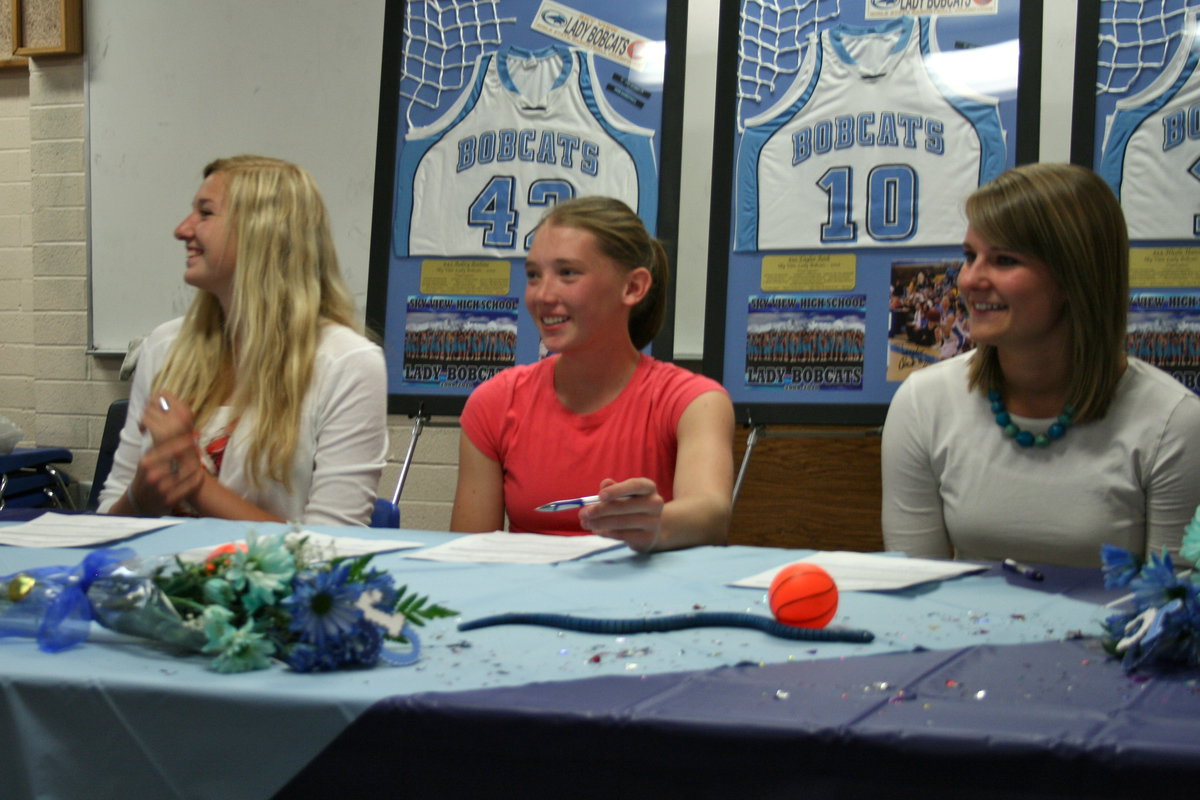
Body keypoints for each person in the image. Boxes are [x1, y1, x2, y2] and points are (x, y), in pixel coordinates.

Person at [882, 162, 1200, 568]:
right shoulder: (923, 402)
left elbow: (1173, 607)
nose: (968, 280)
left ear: (1075, 277)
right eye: (970, 256)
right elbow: (913, 584)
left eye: (1004, 260)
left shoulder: (1173, 423)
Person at [98, 155, 388, 525]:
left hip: (275, 585)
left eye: (205, 213)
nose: (182, 230)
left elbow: (332, 548)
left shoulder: (348, 363)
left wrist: (195, 485)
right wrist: (142, 496)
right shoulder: (163, 346)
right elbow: (107, 519)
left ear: (261, 231)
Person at [450, 196, 734, 553]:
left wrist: (654, 523)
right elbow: (465, 557)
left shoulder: (692, 400)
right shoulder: (494, 402)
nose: (543, 294)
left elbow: (711, 513)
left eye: (567, 273)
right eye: (534, 275)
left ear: (632, 287)